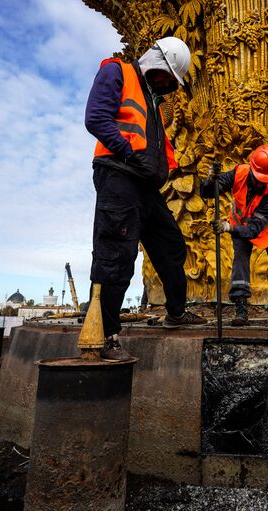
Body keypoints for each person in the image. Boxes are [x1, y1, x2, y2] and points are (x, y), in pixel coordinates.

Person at [85, 37, 206, 361]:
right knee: (116, 254)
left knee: (171, 244)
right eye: (168, 76)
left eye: (171, 81)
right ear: (157, 62)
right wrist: (128, 154)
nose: (168, 83)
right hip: (119, 177)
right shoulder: (117, 72)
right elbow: (96, 118)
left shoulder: (152, 101)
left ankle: (176, 312)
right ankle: (103, 335)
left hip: (145, 187)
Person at [200, 145, 268, 327]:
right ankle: (241, 309)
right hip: (239, 223)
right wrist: (211, 180)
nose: (261, 183)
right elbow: (208, 192)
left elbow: (254, 229)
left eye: (265, 180)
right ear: (252, 169)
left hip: (267, 229)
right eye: (259, 179)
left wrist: (228, 227)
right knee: (240, 263)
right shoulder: (239, 172)